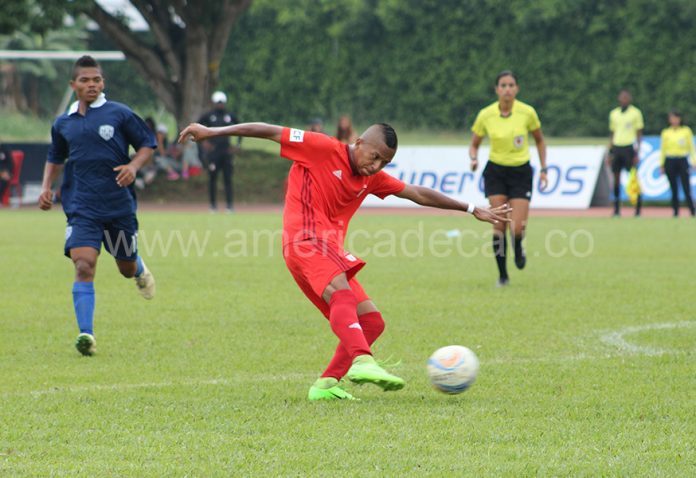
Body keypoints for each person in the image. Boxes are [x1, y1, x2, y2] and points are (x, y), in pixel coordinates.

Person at [178, 120, 511, 401]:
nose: (377, 166)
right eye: (375, 156)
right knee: (343, 293)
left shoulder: (371, 178)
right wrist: (212, 132)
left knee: (372, 322)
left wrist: (470, 209)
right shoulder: (321, 148)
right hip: (305, 240)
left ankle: (325, 385)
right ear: (358, 142)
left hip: (325, 249)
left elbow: (417, 193)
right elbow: (268, 131)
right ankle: (363, 361)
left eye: (385, 162)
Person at [38, 55, 157, 356]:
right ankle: (86, 335)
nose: (92, 85)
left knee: (125, 268)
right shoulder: (63, 123)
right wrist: (45, 187)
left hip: (118, 207)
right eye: (85, 80)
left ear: (103, 82)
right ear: (73, 85)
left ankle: (139, 267)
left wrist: (133, 165)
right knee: (83, 265)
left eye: (97, 80)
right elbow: (55, 157)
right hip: (82, 208)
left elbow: (147, 143)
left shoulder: (119, 114)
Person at [469, 70, 548, 287]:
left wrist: (543, 168)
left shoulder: (527, 112)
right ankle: (502, 276)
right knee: (498, 224)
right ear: (496, 90)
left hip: (521, 172)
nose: (507, 89)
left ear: (517, 89)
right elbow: (474, 144)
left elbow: (540, 141)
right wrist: (474, 158)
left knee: (517, 228)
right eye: (503, 85)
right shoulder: (486, 114)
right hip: (495, 172)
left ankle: (519, 247)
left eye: (511, 85)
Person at [198, 91, 240, 212]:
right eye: (218, 103)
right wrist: (204, 142)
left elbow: (242, 127)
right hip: (214, 153)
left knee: (228, 179)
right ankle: (212, 206)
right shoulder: (209, 116)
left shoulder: (229, 116)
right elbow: (196, 127)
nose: (220, 105)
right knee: (212, 179)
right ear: (214, 103)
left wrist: (237, 145)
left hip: (226, 153)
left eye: (222, 103)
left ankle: (230, 206)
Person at [608, 89, 644, 217]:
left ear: (629, 99)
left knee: (633, 178)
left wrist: (637, 152)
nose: (623, 100)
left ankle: (638, 208)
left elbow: (639, 134)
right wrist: (610, 152)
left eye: (626, 98)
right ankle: (617, 208)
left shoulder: (636, 113)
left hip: (629, 148)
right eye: (621, 98)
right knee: (616, 179)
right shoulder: (614, 114)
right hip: (617, 147)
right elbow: (612, 134)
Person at [660, 110, 695, 217]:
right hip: (670, 160)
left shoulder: (686, 131)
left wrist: (694, 161)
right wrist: (662, 164)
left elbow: (691, 148)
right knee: (673, 187)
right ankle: (675, 211)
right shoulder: (666, 132)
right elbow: (663, 150)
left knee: (686, 187)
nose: (674, 120)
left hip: (682, 160)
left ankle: (692, 211)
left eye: (676, 118)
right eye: (672, 118)